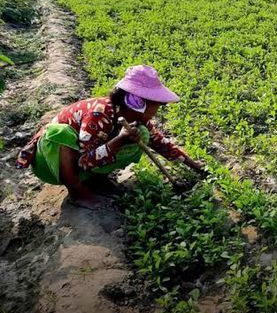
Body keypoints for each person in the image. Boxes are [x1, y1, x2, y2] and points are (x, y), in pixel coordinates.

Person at [16, 65, 204, 209]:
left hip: (82, 158)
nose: (158, 109)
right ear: (137, 101)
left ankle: (95, 180)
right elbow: (84, 162)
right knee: (61, 134)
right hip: (50, 162)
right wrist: (119, 140)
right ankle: (77, 190)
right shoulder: (99, 115)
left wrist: (195, 166)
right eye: (156, 104)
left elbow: (162, 145)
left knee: (144, 135)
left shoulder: (137, 119)